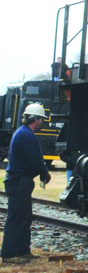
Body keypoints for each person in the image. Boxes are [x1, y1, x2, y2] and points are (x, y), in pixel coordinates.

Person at [2, 103, 52, 264]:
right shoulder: (26, 136)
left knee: (24, 216)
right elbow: (34, 159)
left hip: (19, 180)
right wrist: (44, 172)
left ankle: (23, 250)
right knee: (17, 217)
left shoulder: (22, 133)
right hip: (19, 180)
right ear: (35, 119)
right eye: (41, 119)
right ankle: (10, 254)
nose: (42, 122)